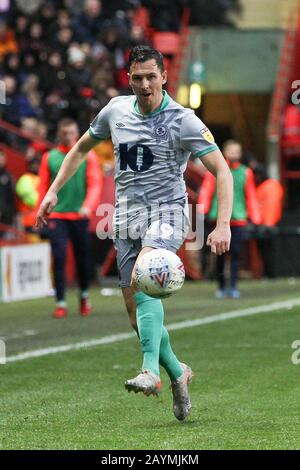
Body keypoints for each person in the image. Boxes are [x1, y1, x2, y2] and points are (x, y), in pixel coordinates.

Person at [36, 45, 233, 420]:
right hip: (126, 218)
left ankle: (149, 371)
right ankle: (178, 372)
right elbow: (80, 150)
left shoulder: (183, 120)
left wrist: (221, 224)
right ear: (129, 78)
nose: (144, 84)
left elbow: (221, 171)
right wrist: (53, 190)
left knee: (148, 272)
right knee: (134, 314)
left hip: (168, 213)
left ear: (164, 77)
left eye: (151, 77)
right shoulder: (115, 110)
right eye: (137, 77)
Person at [38, 118, 102, 318]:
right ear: (59, 134)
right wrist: (40, 211)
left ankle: (83, 296)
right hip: (57, 215)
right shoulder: (49, 158)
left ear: (77, 133)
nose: (69, 137)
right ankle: (61, 301)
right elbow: (42, 186)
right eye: (65, 133)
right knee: (59, 257)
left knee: (83, 259)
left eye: (72, 133)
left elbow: (95, 183)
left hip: (79, 215)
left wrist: (87, 207)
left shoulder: (88, 157)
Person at [198, 139, 261, 299]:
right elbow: (207, 190)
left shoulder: (246, 172)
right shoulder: (215, 170)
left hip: (238, 219)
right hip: (217, 219)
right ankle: (220, 286)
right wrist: (203, 210)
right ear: (224, 152)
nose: (234, 154)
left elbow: (251, 195)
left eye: (236, 151)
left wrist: (255, 217)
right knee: (218, 255)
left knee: (235, 254)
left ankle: (232, 286)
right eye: (231, 151)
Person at [0, 150, 15, 237]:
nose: (1, 160)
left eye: (3, 158)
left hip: (8, 214)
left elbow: (11, 195)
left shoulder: (8, 175)